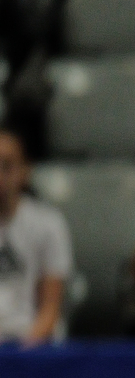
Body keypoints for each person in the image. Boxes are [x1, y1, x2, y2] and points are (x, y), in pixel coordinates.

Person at [0, 126, 66, 346]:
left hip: (30, 342)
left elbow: (50, 309)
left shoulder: (48, 224)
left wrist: (23, 352)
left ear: (25, 171)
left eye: (7, 166)